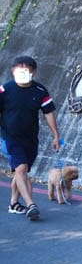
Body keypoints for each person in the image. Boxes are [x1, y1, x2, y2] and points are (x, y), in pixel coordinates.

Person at [0, 56, 60, 220]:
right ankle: (31, 204)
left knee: (22, 171)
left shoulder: (40, 91)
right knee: (21, 168)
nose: (22, 73)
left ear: (34, 72)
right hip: (9, 137)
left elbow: (48, 113)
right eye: (19, 70)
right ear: (12, 71)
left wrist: (56, 136)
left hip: (30, 138)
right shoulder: (4, 90)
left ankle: (14, 203)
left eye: (26, 70)